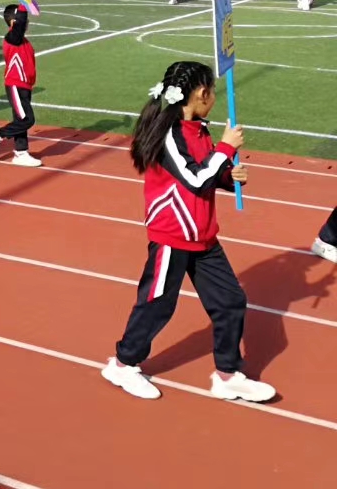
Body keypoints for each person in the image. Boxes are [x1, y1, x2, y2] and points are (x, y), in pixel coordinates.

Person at [100, 61, 276, 403]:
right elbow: (194, 178)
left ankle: (227, 374)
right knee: (157, 304)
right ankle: (122, 364)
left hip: (202, 234)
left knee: (230, 301)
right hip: (173, 233)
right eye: (212, 92)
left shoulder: (199, 129)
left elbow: (206, 173)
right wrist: (226, 149)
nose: (214, 98)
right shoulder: (170, 134)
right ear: (200, 93)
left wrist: (228, 177)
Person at [0, 5, 42, 167]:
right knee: (26, 119)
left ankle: (21, 153)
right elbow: (20, 22)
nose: (27, 23)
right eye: (24, 21)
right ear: (14, 22)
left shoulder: (21, 40)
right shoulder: (12, 38)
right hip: (15, 84)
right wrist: (23, 4)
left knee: (20, 119)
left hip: (25, 85)